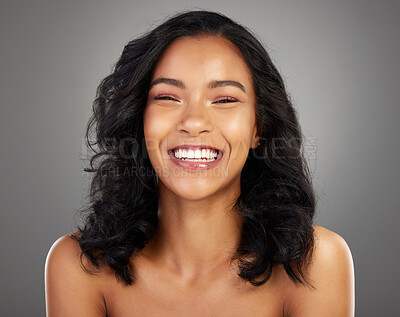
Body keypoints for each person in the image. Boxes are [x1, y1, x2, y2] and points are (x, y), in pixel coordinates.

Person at [45, 10, 355, 316]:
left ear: (258, 129)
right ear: (139, 121)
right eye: (167, 97)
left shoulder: (315, 264)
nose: (194, 122)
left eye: (224, 100)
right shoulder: (80, 266)